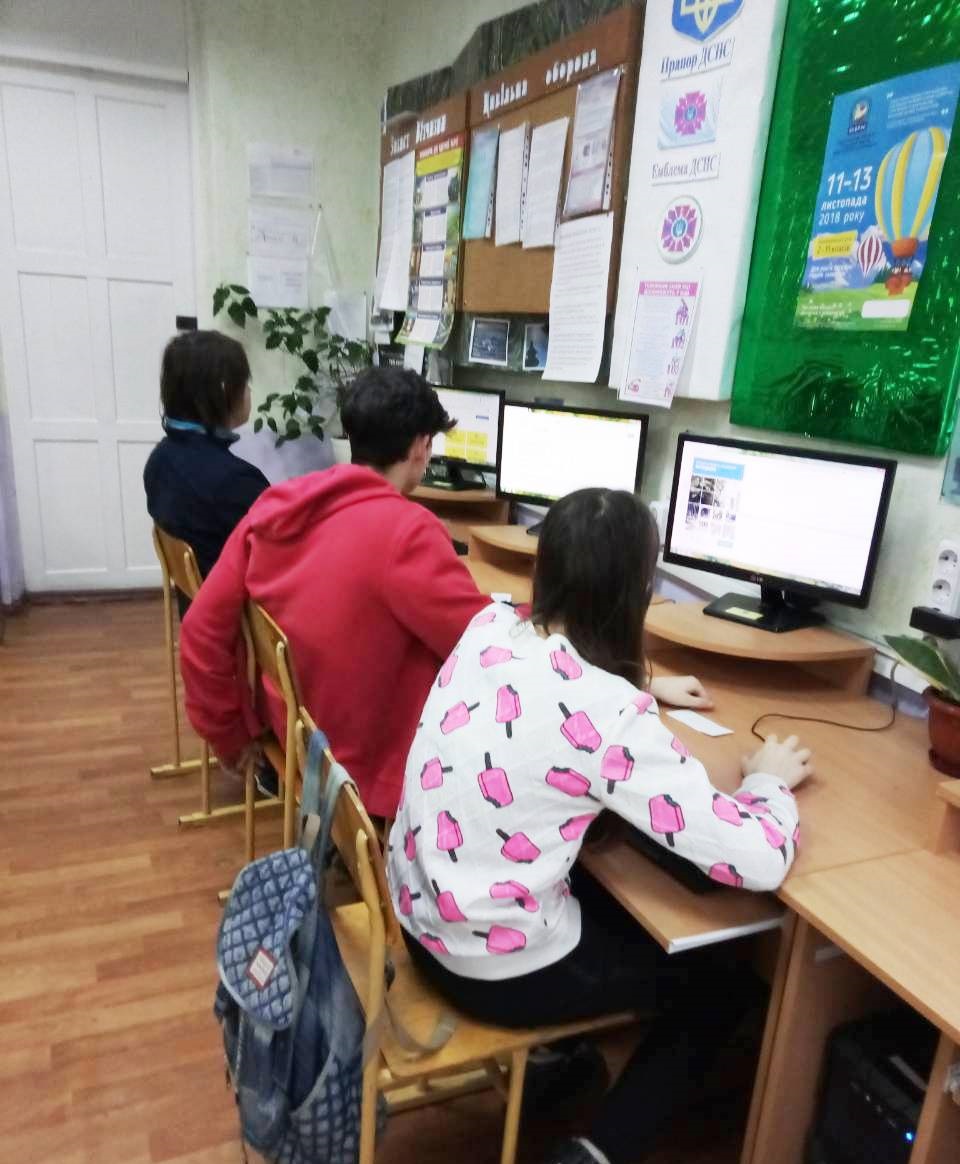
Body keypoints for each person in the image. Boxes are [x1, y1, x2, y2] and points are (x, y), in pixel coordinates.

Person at [387, 488, 813, 1164]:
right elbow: (756, 859)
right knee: (722, 986)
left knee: (615, 885)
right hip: (488, 967)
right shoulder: (609, 713)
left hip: (419, 921)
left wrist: (641, 686)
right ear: (637, 592)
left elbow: (554, 702)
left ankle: (559, 1059)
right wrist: (768, 781)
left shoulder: (489, 626)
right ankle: (597, 1151)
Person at [179, 367, 487, 818]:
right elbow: (481, 645)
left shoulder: (275, 506)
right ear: (421, 447)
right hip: (368, 772)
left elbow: (200, 629)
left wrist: (230, 734)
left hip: (297, 737)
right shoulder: (408, 532)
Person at [144, 330, 269, 586]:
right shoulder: (235, 481)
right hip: (239, 607)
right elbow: (281, 553)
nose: (248, 391)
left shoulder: (160, 460)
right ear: (224, 390)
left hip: (195, 599)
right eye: (245, 383)